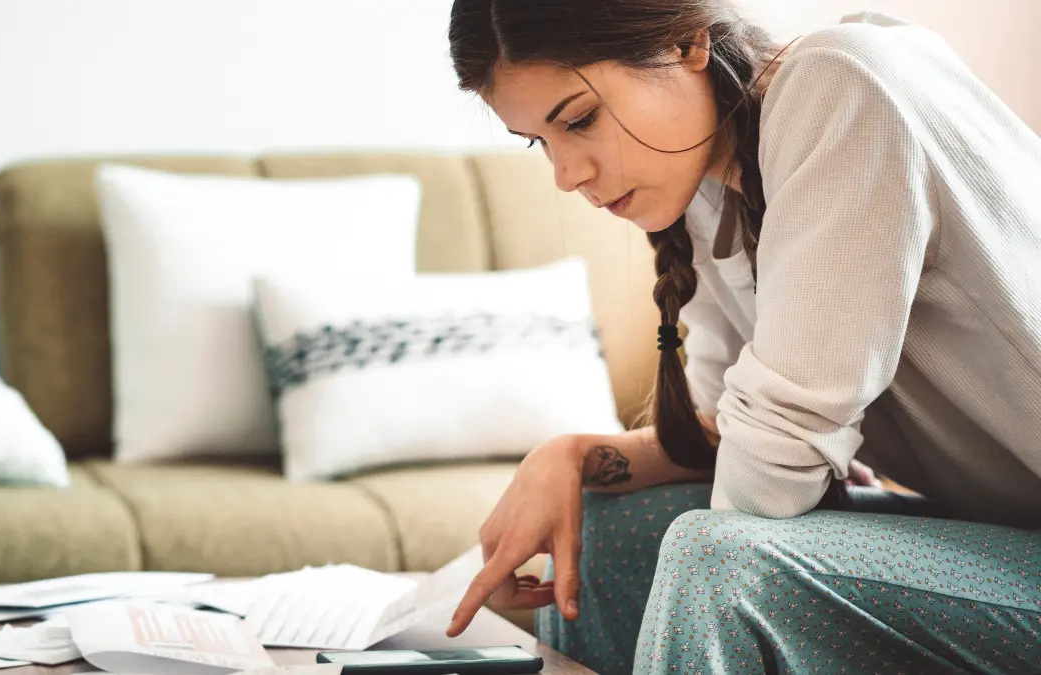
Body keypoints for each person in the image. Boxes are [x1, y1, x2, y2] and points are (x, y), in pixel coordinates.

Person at [442, 2, 1041, 673]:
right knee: (610, 527)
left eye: (579, 119)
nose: (566, 174)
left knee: (717, 556)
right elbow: (731, 433)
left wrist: (777, 457)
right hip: (1001, 534)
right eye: (539, 141)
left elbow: (769, 478)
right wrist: (575, 456)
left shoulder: (839, 88)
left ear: (686, 45)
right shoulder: (704, 179)